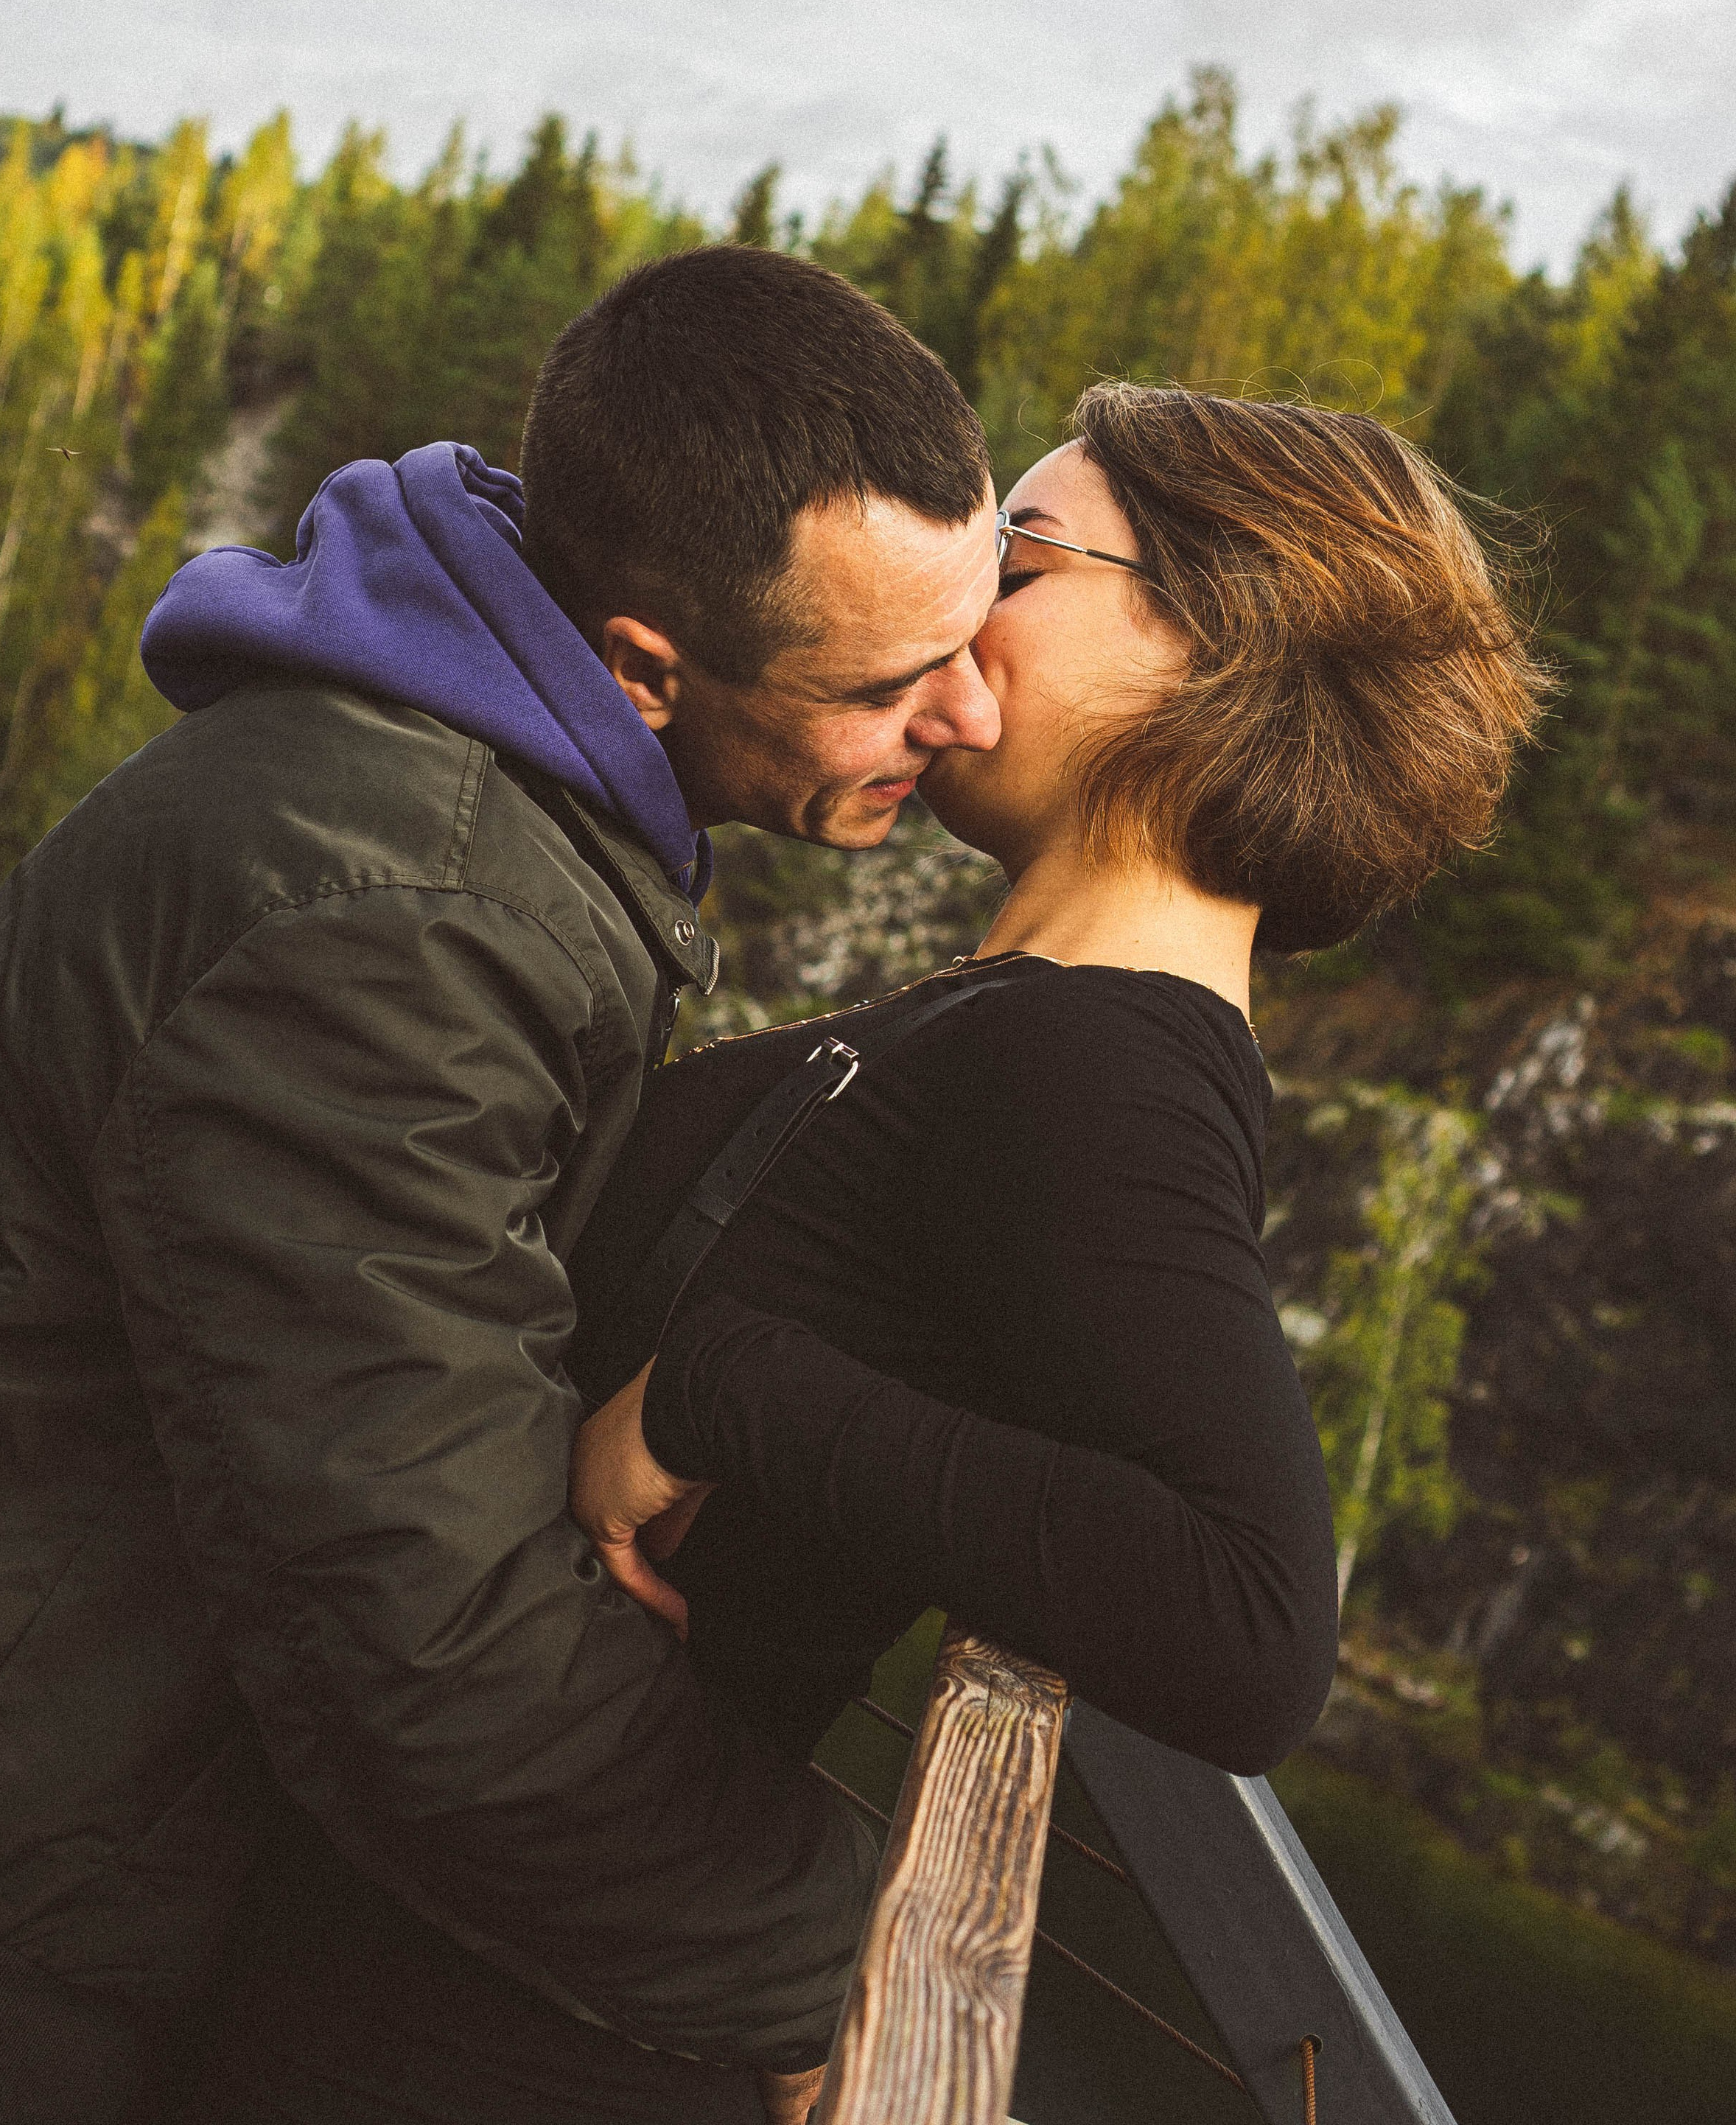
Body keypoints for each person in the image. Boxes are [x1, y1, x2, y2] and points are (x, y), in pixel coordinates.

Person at [0, 247, 1001, 2125]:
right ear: (647, 669)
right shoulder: (393, 922)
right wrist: (842, 1955)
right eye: (895, 678)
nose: (968, 716)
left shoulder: (446, 810)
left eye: (986, 630)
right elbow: (412, 1606)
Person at [567, 385, 1550, 1807]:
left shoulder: (1104, 1063)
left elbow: (1250, 1630)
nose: (954, 609)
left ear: (1219, 646)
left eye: (1015, 566)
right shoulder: (1045, 1028)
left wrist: (725, 1392)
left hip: (516, 1936)